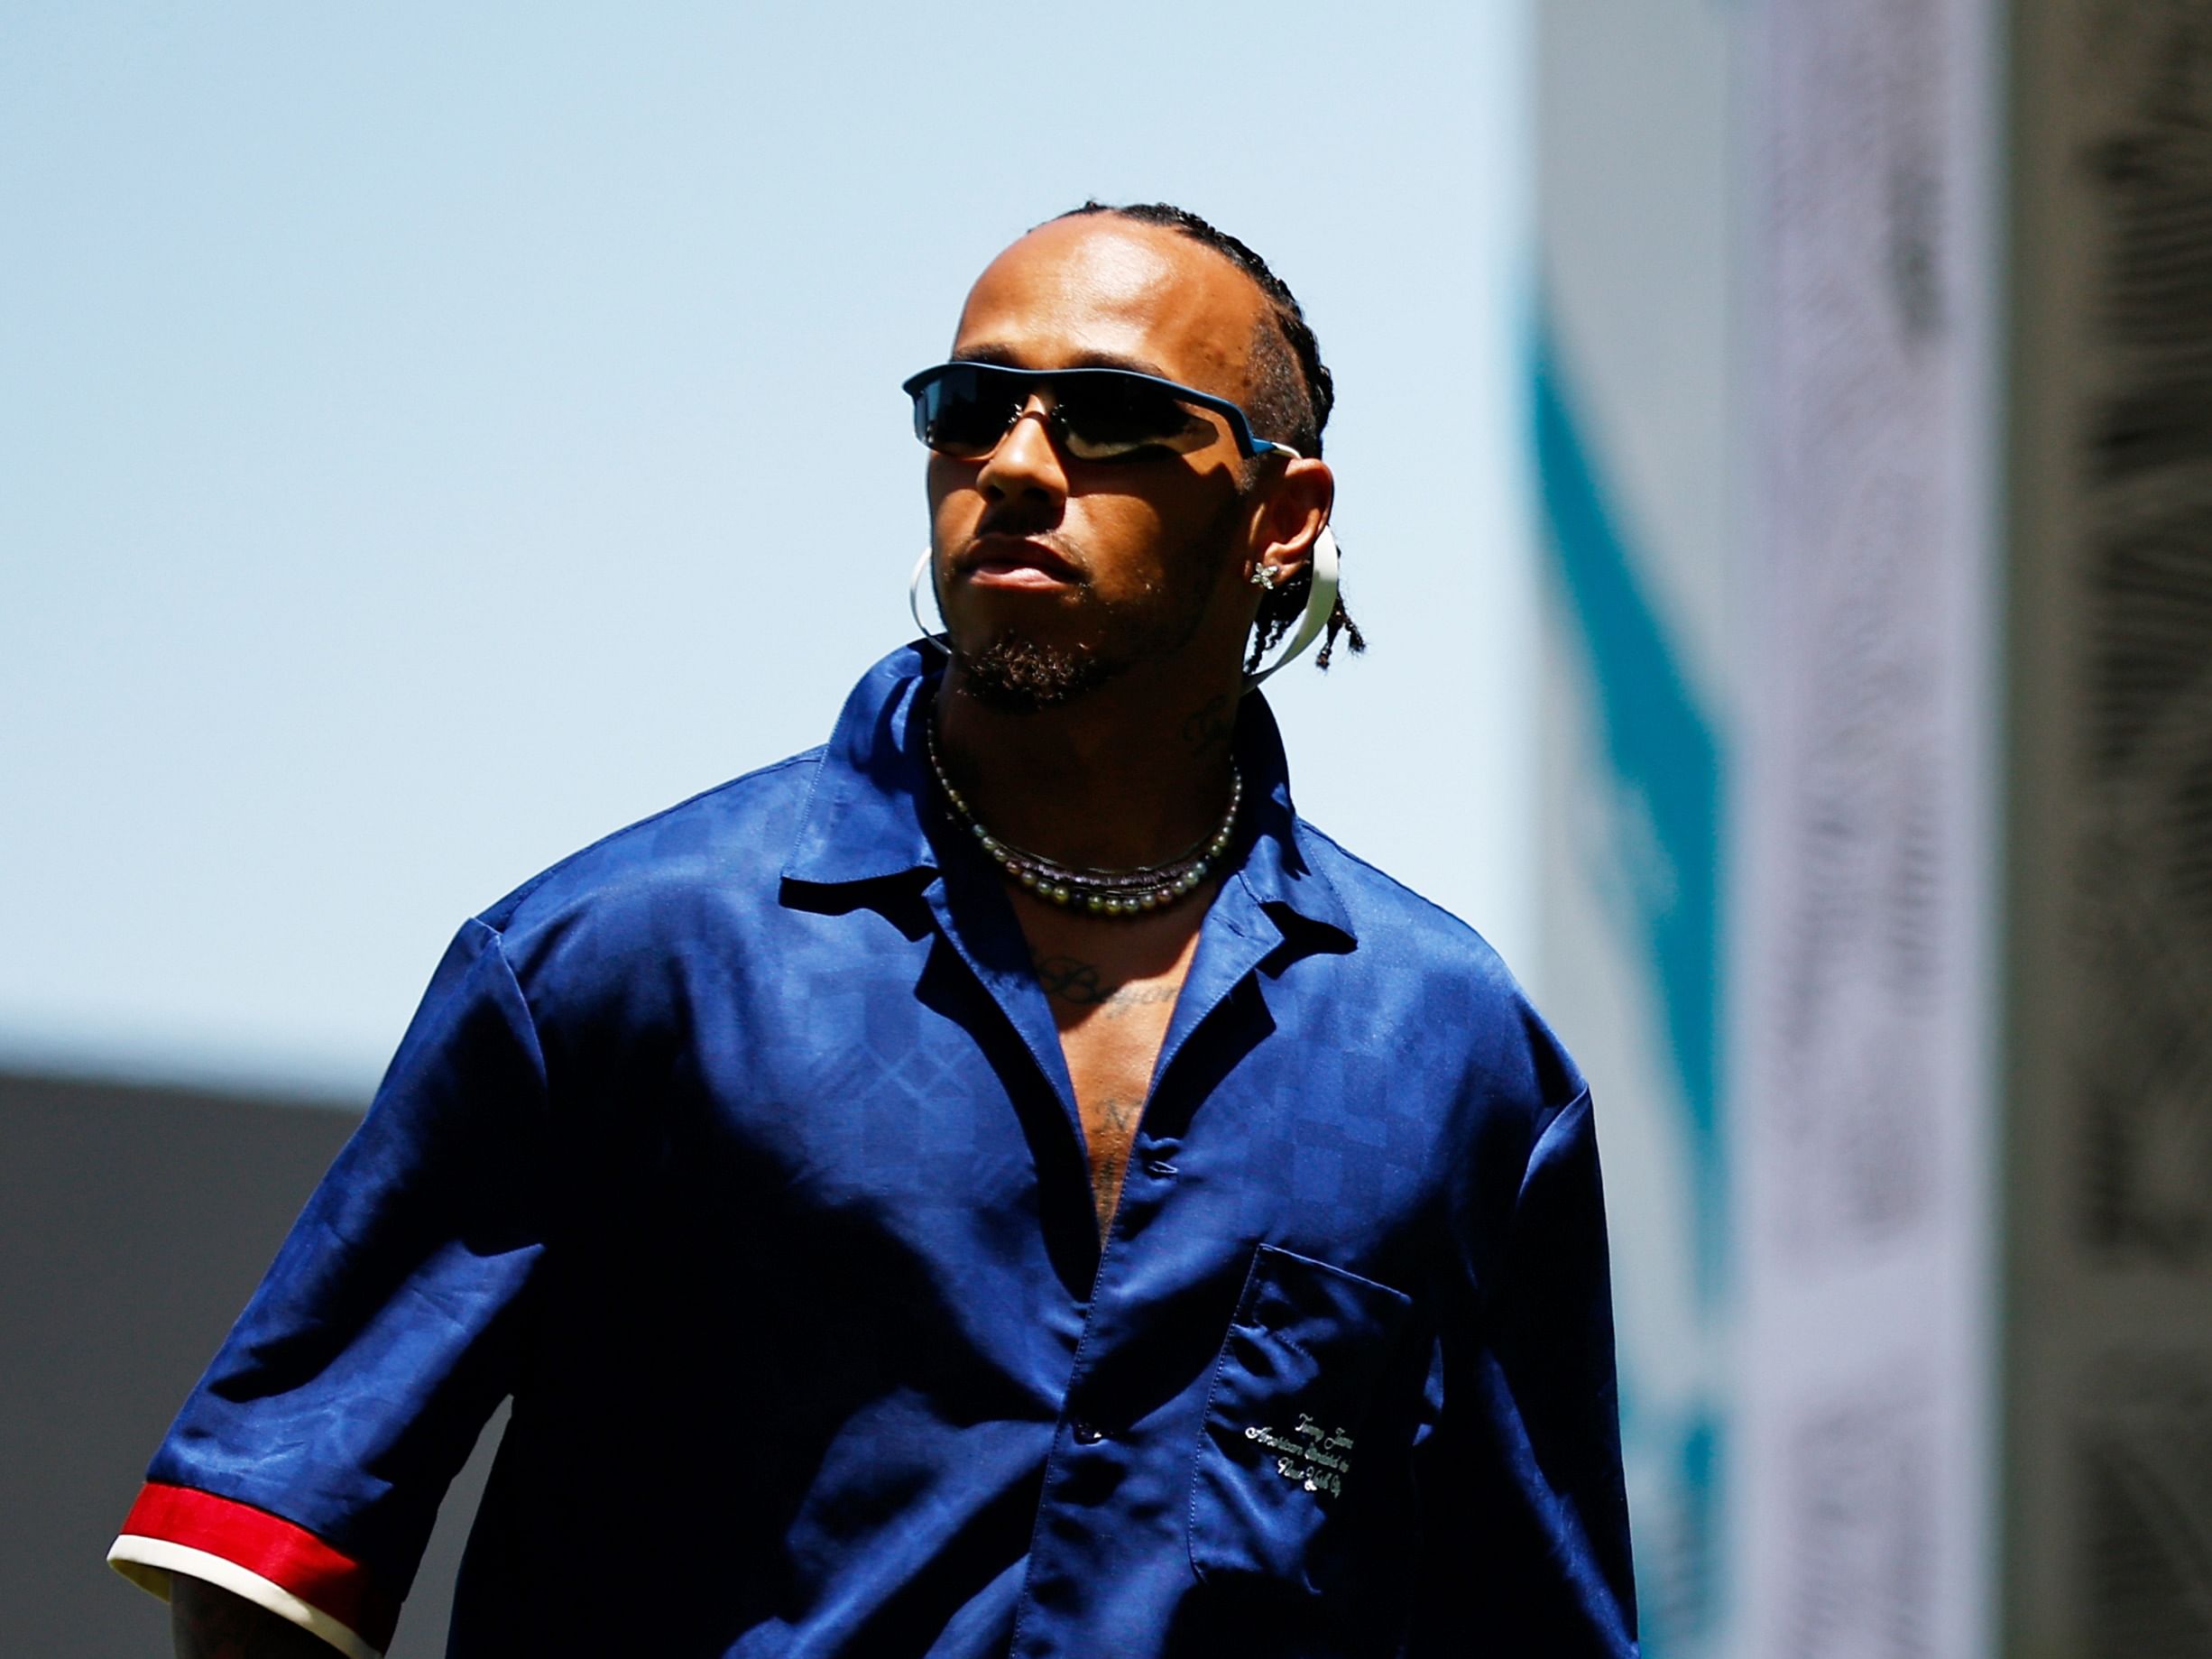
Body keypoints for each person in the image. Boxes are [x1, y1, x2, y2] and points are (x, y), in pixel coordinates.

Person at [109, 201, 1637, 1657]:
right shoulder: (630, 959)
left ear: (1282, 518)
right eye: (971, 407)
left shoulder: (1452, 1057)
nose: (1020, 465)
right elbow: (260, 1551)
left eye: (1111, 417)